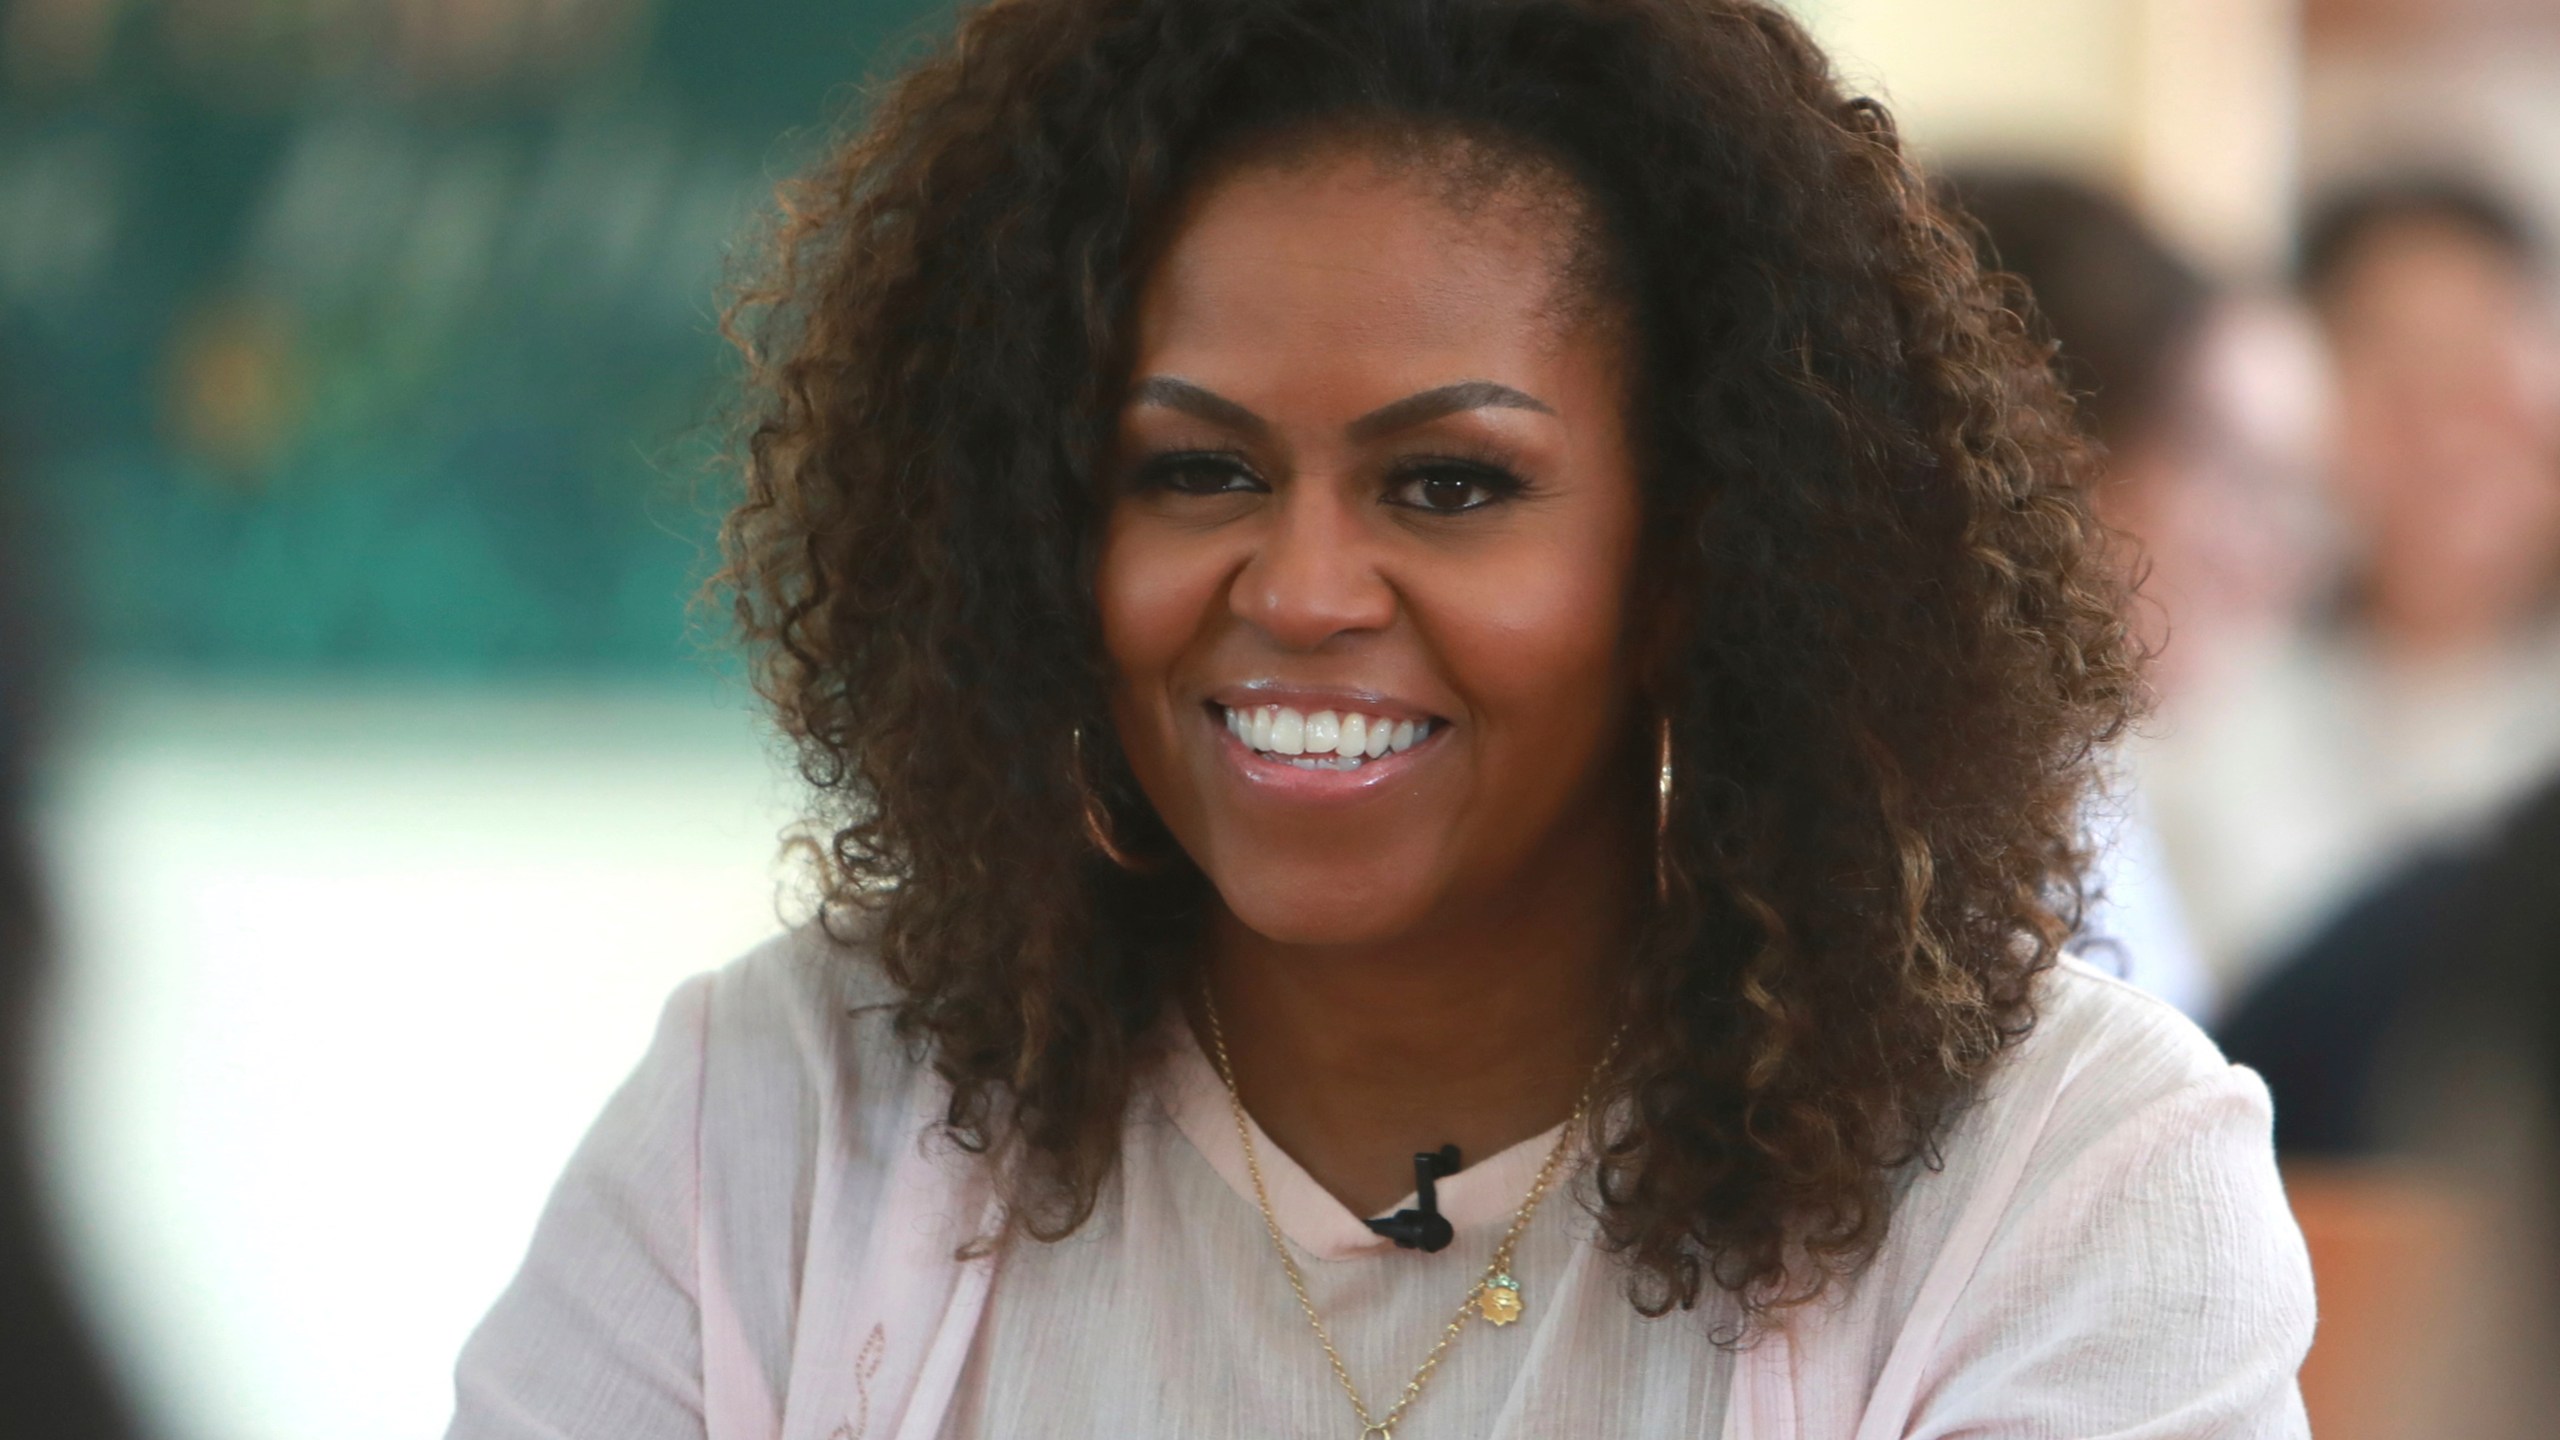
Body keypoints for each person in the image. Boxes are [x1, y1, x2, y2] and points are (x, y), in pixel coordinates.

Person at [447, 3, 2313, 1437]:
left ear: (1694, 556)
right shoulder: (782, 1122)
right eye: (1192, 470)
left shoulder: (2058, 1178)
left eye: (1447, 486)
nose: (1304, 587)